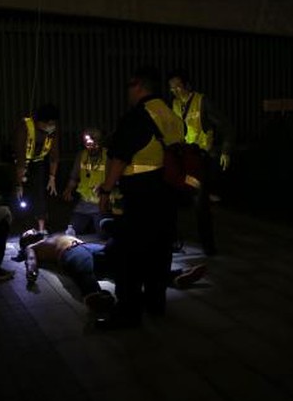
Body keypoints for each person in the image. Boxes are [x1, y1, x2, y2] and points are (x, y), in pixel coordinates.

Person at [96, 66, 184, 329]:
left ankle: (128, 312)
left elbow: (120, 158)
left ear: (138, 86)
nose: (127, 92)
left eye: (128, 86)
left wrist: (106, 190)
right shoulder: (170, 114)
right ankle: (156, 304)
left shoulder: (137, 116)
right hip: (168, 193)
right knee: (160, 251)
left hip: (141, 195)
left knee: (130, 255)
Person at [168, 69, 235, 256]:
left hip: (200, 159)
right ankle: (173, 241)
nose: (175, 92)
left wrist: (225, 151)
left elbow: (226, 126)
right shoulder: (173, 104)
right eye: (172, 89)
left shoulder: (202, 102)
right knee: (170, 197)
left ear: (187, 86)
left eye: (178, 87)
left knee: (200, 203)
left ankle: (209, 247)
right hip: (181, 158)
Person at [18, 229, 115, 313]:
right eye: (27, 233)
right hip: (71, 250)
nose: (31, 230)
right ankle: (93, 296)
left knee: (113, 252)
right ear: (26, 241)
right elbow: (30, 259)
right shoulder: (32, 246)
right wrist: (31, 271)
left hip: (87, 246)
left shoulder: (49, 238)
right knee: (83, 267)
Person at [13, 103, 60, 233]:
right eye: (49, 123)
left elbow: (54, 155)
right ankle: (23, 228)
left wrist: (52, 177)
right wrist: (19, 183)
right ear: (39, 122)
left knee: (40, 193)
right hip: (22, 162)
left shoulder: (53, 130)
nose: (51, 126)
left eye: (53, 123)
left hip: (38, 162)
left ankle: (41, 228)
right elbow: (21, 157)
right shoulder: (25, 126)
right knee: (21, 196)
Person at [62, 128, 108, 235]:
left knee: (103, 234)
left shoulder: (108, 156)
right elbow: (74, 176)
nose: (90, 148)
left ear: (99, 143)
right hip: (84, 203)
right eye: (87, 144)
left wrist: (104, 186)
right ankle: (90, 224)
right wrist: (68, 189)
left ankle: (97, 224)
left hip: (102, 202)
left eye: (93, 144)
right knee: (72, 231)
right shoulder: (82, 155)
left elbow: (115, 178)